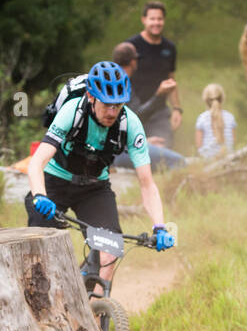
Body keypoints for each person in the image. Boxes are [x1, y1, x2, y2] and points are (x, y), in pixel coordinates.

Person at [26, 61, 174, 296]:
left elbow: (147, 183)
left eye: (118, 106)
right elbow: (37, 162)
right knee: (39, 256)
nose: (112, 113)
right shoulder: (72, 111)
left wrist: (159, 226)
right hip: (54, 183)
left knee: (109, 253)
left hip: (94, 189)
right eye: (107, 105)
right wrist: (40, 195)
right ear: (91, 97)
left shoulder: (130, 123)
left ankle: (95, 320)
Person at [110, 42, 186, 171]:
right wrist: (159, 95)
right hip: (119, 151)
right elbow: (135, 117)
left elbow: (127, 121)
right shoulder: (120, 84)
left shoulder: (113, 80)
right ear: (133, 62)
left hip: (119, 147)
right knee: (179, 162)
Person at [125, 1, 181, 148]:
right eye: (152, 19)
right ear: (144, 20)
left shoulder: (169, 48)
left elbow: (171, 80)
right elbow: (122, 79)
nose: (156, 23)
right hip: (136, 111)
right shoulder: (131, 46)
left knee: (162, 151)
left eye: (160, 19)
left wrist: (177, 108)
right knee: (138, 151)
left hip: (160, 112)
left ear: (164, 20)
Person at [194, 83, 236, 160]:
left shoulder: (201, 118)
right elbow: (233, 142)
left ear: (205, 100)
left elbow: (199, 146)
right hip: (228, 158)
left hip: (207, 160)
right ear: (222, 98)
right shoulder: (230, 117)